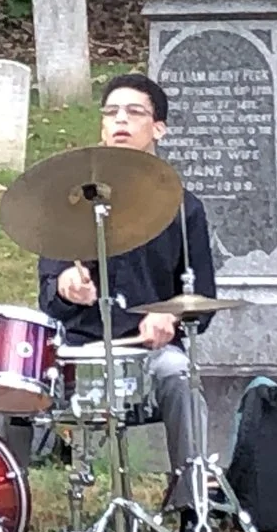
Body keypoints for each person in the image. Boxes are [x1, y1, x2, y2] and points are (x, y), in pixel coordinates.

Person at [35, 72, 219, 501]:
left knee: (179, 374)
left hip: (146, 355)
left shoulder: (183, 209)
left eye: (134, 112)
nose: (120, 120)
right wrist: (65, 287)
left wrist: (170, 314)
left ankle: (192, 508)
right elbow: (48, 296)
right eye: (111, 112)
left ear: (159, 128)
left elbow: (203, 303)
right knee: (10, 383)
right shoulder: (68, 203)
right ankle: (5, 512)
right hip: (76, 353)